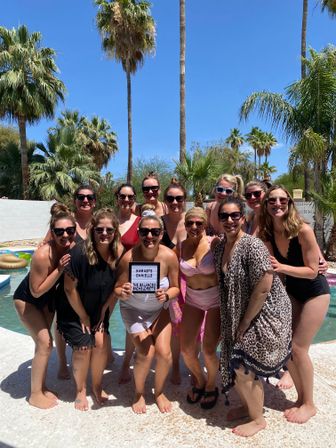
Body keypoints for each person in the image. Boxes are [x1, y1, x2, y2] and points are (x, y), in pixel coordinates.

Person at [212, 197, 292, 437]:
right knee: (232, 359)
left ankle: (258, 419)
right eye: (224, 216)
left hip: (266, 313)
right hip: (239, 312)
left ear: (243, 218)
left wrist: (245, 323)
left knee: (243, 366)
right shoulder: (219, 247)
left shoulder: (252, 246)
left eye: (234, 215)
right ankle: (249, 407)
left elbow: (264, 287)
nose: (229, 220)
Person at [259, 185, 330, 424]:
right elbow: (272, 273)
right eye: (272, 200)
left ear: (289, 203)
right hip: (292, 292)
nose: (277, 204)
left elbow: (312, 272)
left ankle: (309, 404)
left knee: (299, 348)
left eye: (282, 200)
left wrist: (282, 268)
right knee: (286, 348)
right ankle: (301, 399)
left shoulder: (303, 231)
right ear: (266, 204)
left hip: (315, 293)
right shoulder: (267, 234)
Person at [115, 213, 180, 414]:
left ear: (161, 234)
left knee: (164, 353)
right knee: (145, 352)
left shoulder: (169, 256)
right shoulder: (129, 258)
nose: (149, 235)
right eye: (144, 231)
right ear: (138, 233)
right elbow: (117, 289)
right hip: (133, 310)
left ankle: (159, 392)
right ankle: (139, 393)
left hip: (159, 311)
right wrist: (123, 292)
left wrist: (167, 294)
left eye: (155, 231)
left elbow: (176, 288)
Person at [58, 208, 123, 411]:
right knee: (84, 348)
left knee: (101, 343)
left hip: (97, 310)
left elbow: (117, 287)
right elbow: (69, 289)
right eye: (100, 229)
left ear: (115, 232)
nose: (105, 234)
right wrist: (84, 316)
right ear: (92, 230)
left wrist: (105, 312)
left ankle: (96, 385)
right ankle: (80, 389)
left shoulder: (117, 253)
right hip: (73, 310)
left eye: (109, 230)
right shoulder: (79, 253)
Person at [13, 205, 76, 409]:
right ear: (52, 232)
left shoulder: (71, 247)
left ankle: (41, 386)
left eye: (69, 230)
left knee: (43, 345)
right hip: (28, 301)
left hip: (47, 301)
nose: (65, 235)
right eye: (59, 231)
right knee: (45, 343)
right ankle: (34, 394)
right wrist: (59, 269)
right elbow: (36, 291)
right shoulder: (42, 255)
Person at [180, 207, 220, 409]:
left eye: (199, 223)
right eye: (190, 223)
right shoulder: (180, 246)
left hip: (215, 300)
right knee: (186, 349)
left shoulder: (216, 243)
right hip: (192, 299)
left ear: (206, 224)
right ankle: (201, 379)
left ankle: (212, 385)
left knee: (209, 350)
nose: (194, 227)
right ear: (185, 224)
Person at [161, 179, 187, 384]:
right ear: (165, 200)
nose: (175, 202)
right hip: (161, 282)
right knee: (164, 324)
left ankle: (177, 364)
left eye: (179, 198)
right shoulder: (157, 223)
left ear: (184, 200)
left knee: (180, 325)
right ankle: (169, 361)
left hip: (186, 283)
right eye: (170, 198)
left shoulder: (193, 222)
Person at [115, 183, 141, 384]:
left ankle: (126, 362)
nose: (126, 200)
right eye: (122, 196)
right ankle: (105, 354)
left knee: (130, 323)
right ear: (117, 197)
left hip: (131, 280)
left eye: (130, 197)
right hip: (107, 277)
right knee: (101, 317)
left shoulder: (140, 223)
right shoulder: (109, 221)